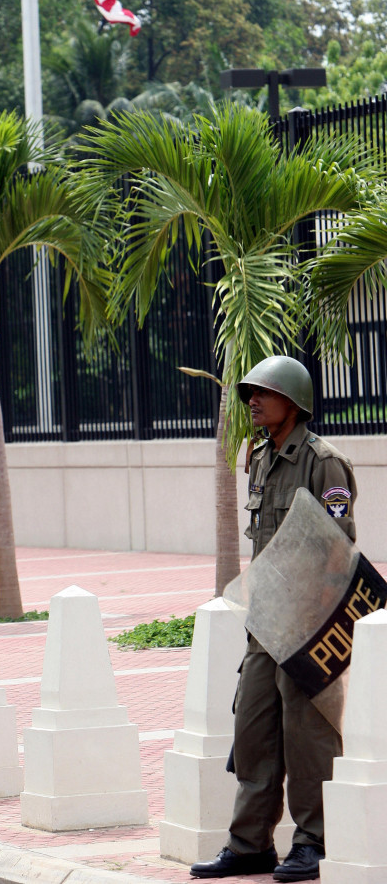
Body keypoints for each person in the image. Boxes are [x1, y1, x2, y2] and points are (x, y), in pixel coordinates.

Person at [190, 356, 356, 883]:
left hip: (307, 624)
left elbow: (339, 545)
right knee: (254, 730)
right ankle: (250, 845)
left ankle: (314, 842)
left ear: (293, 400)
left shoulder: (323, 462)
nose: (253, 401)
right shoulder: (260, 459)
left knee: (307, 736)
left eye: (263, 392)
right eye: (250, 393)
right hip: (265, 623)